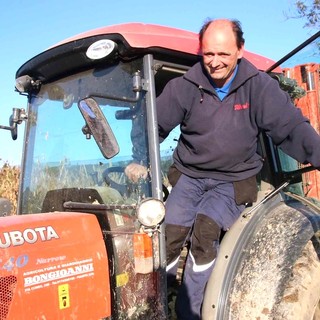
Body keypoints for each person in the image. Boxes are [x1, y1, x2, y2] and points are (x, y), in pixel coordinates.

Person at [125, 18, 320, 319]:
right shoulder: (185, 87)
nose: (215, 62)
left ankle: (188, 311)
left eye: (223, 54)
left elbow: (290, 126)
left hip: (231, 180)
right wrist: (140, 156)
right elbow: (152, 125)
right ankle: (158, 301)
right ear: (201, 51)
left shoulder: (258, 89)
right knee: (168, 233)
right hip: (189, 176)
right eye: (208, 54)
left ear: (240, 50)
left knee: (206, 233)